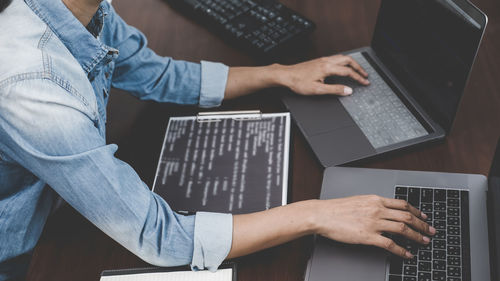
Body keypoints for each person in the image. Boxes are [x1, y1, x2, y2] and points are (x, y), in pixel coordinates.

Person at [0, 0, 436, 279]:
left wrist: (279, 74)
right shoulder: (31, 86)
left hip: (62, 202)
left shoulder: (76, 9)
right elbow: (159, 237)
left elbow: (158, 74)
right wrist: (316, 215)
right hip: (27, 251)